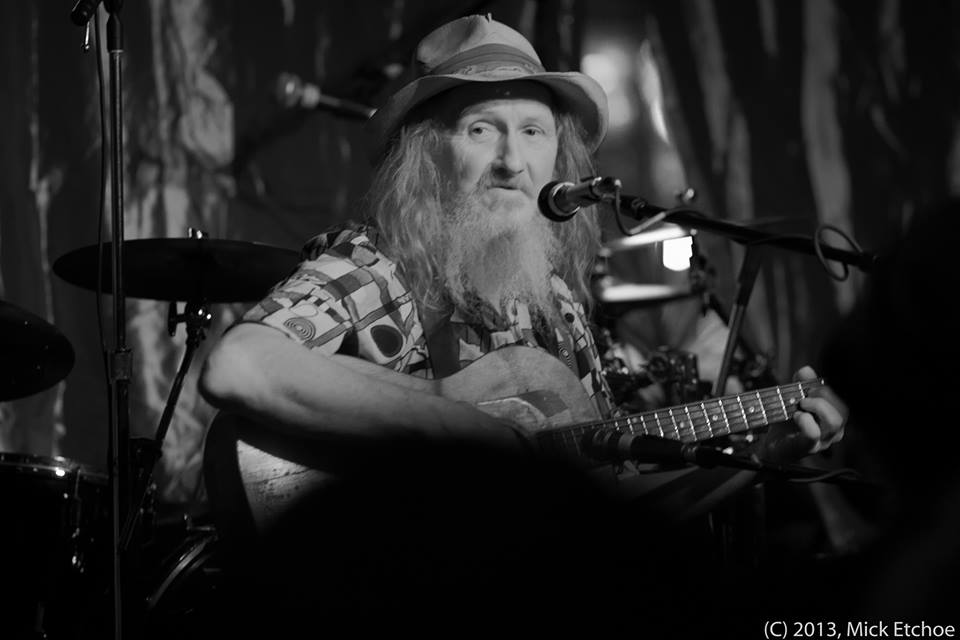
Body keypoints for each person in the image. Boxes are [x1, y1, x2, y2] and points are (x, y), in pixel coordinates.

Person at [196, 14, 848, 632]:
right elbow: (241, 363)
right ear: (428, 151)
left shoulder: (556, 304)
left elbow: (606, 513)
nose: (513, 160)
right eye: (482, 129)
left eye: (533, 131)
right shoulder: (378, 265)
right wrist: (454, 424)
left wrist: (757, 456)